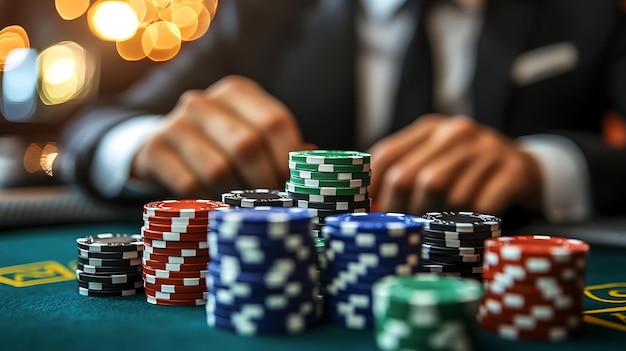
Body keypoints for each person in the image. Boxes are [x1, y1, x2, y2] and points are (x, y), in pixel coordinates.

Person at [57, 0, 626, 225]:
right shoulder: (266, 13)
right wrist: (146, 143)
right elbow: (93, 127)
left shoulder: (583, 11)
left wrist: (540, 166)